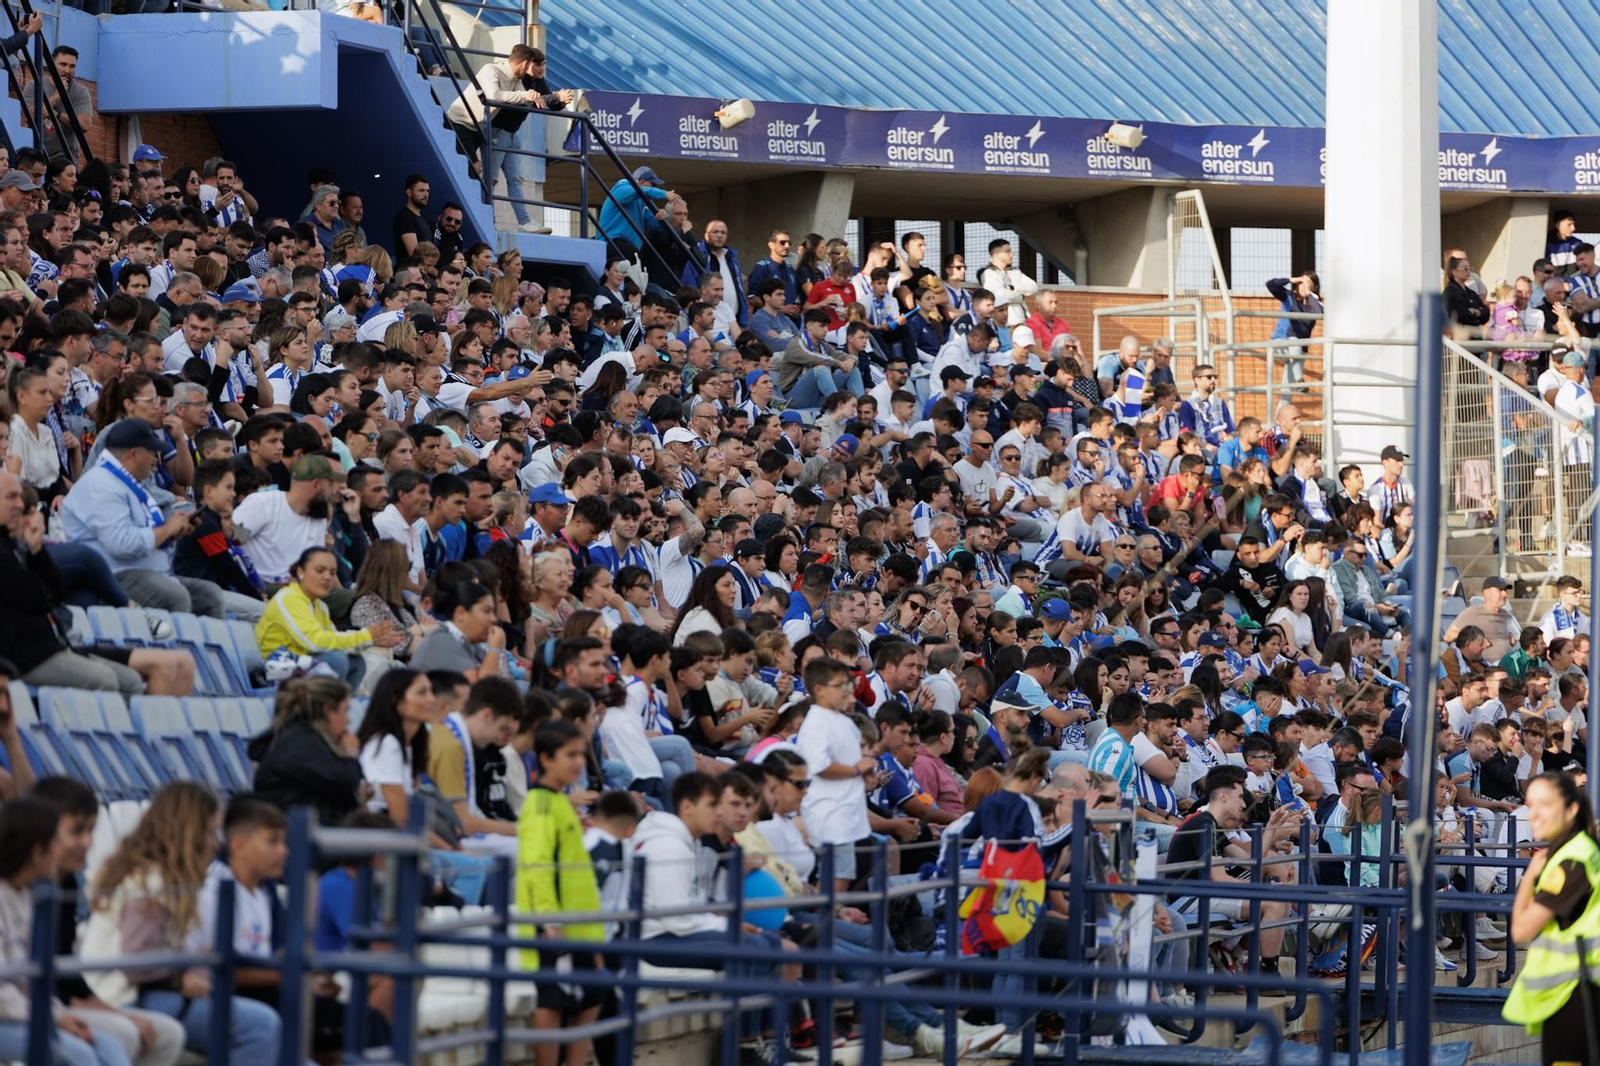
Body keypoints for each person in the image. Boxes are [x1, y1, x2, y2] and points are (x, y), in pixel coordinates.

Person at [82, 783, 285, 1062]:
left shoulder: (160, 877)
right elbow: (137, 961)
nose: (216, 843)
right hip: (123, 996)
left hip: (142, 991)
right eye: (211, 831)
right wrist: (181, 975)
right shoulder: (150, 882)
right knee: (260, 1026)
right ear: (189, 832)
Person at [517, 719, 606, 1066]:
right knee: (553, 1001)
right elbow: (537, 865)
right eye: (569, 754)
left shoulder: (558, 802)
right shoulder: (540, 804)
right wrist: (550, 921)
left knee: (589, 999)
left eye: (580, 754)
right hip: (557, 926)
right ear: (545, 758)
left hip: (579, 924)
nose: (578, 762)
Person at [1504, 772, 1600, 1064]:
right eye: (1530, 805)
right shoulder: (1581, 849)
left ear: (1571, 809)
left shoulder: (1569, 861)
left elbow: (1521, 931)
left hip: (1576, 996)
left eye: (1545, 804)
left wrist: (1531, 873)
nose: (1534, 814)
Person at [256, 546, 402, 687]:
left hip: (301, 664)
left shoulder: (320, 606)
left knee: (356, 662)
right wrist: (366, 636)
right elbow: (315, 642)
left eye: (332, 573)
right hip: (274, 669)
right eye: (320, 570)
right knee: (336, 660)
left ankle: (338, 707)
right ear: (301, 571)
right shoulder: (289, 598)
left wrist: (372, 640)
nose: (327, 577)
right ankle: (317, 709)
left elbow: (334, 640)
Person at [247, 675, 367, 826]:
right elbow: (343, 781)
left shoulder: (304, 738)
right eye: (345, 710)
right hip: (295, 837)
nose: (347, 720)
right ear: (328, 710)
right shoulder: (299, 741)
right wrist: (350, 753)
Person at [406, 579, 508, 680]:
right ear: (461, 613)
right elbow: (480, 690)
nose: (493, 619)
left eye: (493, 612)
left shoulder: (472, 645)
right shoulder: (442, 641)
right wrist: (494, 650)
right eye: (486, 611)